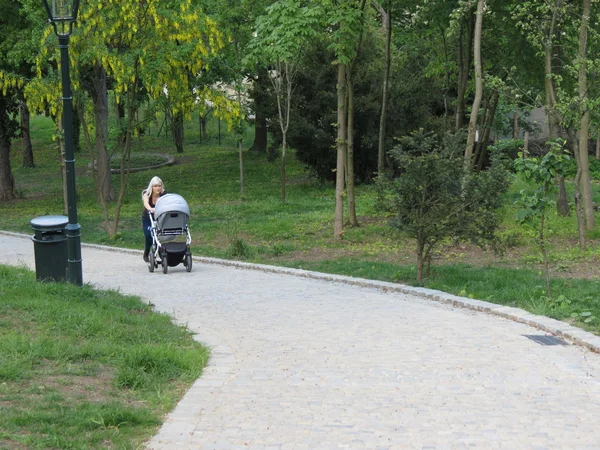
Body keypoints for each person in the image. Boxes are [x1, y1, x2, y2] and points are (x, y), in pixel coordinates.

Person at [141, 176, 167, 262]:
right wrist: (150, 209)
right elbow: (145, 203)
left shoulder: (164, 194)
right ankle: (147, 251)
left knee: (159, 235)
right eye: (155, 186)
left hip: (159, 218)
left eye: (159, 186)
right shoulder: (146, 194)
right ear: (151, 187)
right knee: (149, 235)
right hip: (148, 218)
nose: (158, 188)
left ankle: (159, 251)